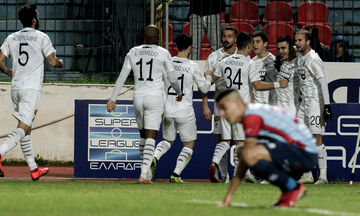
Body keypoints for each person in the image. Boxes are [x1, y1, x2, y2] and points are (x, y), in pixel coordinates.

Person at [208, 32, 288, 184]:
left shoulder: (225, 60)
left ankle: (214, 162)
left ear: (237, 44)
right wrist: (278, 84)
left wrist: (206, 74)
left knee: (225, 141)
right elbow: (257, 85)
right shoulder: (250, 63)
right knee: (241, 142)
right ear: (249, 46)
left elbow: (211, 80)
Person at [106, 25, 182, 184]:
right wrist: (179, 92)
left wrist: (113, 98)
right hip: (154, 96)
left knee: (142, 135)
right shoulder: (163, 53)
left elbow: (122, 76)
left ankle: (145, 172)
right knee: (151, 135)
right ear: (159, 37)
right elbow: (173, 78)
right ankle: (143, 174)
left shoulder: (133, 51)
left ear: (144, 37)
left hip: (138, 96)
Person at [217, 89, 318, 208]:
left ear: (238, 103)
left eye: (224, 108)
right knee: (245, 152)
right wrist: (229, 195)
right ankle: (289, 192)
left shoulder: (251, 116)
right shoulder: (252, 111)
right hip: (302, 151)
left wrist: (229, 195)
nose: (222, 113)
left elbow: (246, 157)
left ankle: (293, 188)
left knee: (247, 154)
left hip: (303, 153)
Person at [0, 3, 63, 181]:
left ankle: (34, 169)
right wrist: (60, 63)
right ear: (34, 19)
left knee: (26, 128)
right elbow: (52, 61)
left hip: (16, 87)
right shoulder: (41, 37)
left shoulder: (12, 37)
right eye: (37, 14)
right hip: (31, 88)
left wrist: (7, 71)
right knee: (23, 127)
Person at [150, 34, 212, 183]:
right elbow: (204, 88)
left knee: (167, 141)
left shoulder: (167, 63)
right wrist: (208, 76)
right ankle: (176, 174)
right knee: (189, 144)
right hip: (184, 110)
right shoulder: (193, 66)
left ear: (176, 46)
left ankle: (154, 157)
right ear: (190, 47)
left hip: (168, 109)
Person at [295, 29, 332, 184]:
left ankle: (323, 176)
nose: (296, 43)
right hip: (304, 103)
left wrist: (327, 105)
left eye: (300, 40)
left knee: (317, 138)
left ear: (308, 42)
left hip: (316, 103)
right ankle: (307, 174)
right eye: (295, 40)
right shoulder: (300, 58)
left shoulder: (313, 58)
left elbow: (323, 82)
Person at [202, 26, 238, 183]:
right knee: (222, 139)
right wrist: (205, 105)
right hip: (220, 104)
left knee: (237, 140)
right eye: (224, 36)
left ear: (235, 39)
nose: (226, 39)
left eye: (230, 36)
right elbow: (206, 84)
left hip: (238, 103)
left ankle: (237, 174)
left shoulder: (243, 56)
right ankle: (224, 176)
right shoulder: (213, 57)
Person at [273, 35, 299, 117]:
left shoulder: (299, 62)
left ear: (291, 48)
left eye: (283, 48)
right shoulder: (278, 62)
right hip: (276, 108)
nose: (280, 51)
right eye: (278, 49)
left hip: (290, 109)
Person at [251, 31, 277, 104]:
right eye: (253, 42)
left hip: (270, 104)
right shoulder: (251, 62)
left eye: (258, 42)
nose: (254, 45)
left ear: (265, 44)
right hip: (256, 105)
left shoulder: (273, 61)